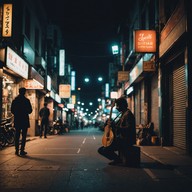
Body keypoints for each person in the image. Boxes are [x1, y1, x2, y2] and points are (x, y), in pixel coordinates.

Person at [98, 97, 136, 165]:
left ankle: (118, 159)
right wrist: (108, 124)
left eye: (117, 106)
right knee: (102, 148)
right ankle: (118, 159)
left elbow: (128, 129)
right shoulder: (123, 114)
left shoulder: (128, 114)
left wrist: (114, 126)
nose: (116, 108)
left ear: (122, 105)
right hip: (121, 139)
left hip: (125, 140)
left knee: (104, 150)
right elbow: (116, 126)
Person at [11, 87, 32, 156]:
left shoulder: (15, 100)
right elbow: (30, 110)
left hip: (17, 119)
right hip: (24, 119)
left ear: (19, 92)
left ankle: (16, 150)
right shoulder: (26, 101)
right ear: (24, 92)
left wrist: (17, 113)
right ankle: (22, 150)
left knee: (17, 135)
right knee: (23, 136)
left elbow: (12, 110)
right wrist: (24, 111)